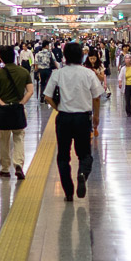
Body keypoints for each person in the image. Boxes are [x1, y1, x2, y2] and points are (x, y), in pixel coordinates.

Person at [43, 42, 103, 201]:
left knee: (63, 156)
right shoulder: (88, 73)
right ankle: (82, 173)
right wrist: (96, 116)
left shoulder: (58, 73)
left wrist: (59, 107)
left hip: (64, 118)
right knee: (84, 154)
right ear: (81, 55)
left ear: (65, 56)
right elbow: (96, 97)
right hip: (83, 118)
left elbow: (47, 96)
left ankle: (68, 192)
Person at [0, 45, 34, 179]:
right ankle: (18, 164)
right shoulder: (23, 72)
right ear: (15, 57)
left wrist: (1, 102)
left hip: (4, 111)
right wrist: (21, 103)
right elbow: (30, 91)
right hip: (18, 110)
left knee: (4, 139)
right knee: (19, 137)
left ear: (1, 58)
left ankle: (5, 168)